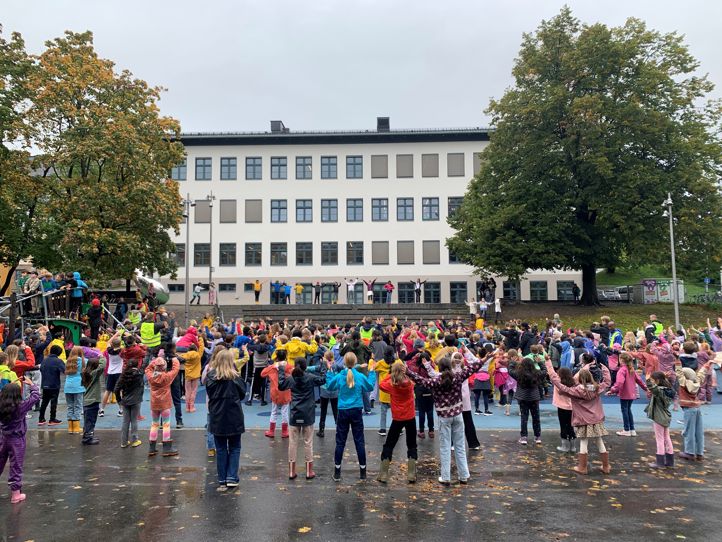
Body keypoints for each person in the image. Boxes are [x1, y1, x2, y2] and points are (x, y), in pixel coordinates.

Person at [407, 348, 482, 486]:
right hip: (458, 415)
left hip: (444, 417)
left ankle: (446, 476)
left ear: (440, 368)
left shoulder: (436, 381)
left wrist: (407, 371)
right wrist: (483, 359)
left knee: (445, 447)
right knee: (460, 446)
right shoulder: (457, 378)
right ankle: (464, 475)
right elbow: (473, 368)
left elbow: (421, 380)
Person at [545, 356, 612, 475]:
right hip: (596, 420)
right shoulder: (597, 388)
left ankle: (582, 467)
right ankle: (606, 466)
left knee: (584, 442)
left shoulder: (575, 391)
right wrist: (605, 369)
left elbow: (558, 384)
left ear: (579, 379)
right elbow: (607, 382)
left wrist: (549, 365)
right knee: (599, 441)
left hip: (583, 420)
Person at [325, 352, 376, 481]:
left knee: (340, 442)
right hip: (356, 410)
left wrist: (329, 371)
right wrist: (372, 372)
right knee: (359, 441)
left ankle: (337, 472)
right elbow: (370, 386)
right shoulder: (359, 376)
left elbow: (329, 386)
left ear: (344, 363)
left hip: (342, 410)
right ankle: (363, 472)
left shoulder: (339, 376)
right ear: (355, 363)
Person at [278, 357, 327, 480]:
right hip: (308, 413)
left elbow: (281, 385)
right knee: (308, 443)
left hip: (295, 413)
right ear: (305, 366)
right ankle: (309, 471)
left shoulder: (291, 379)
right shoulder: (310, 377)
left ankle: (291, 471)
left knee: (293, 443)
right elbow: (322, 379)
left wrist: (281, 369)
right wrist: (324, 366)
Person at [205, 349, 246, 491]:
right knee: (235, 447)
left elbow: (209, 393)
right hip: (234, 415)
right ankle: (232, 477)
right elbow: (242, 395)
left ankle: (222, 478)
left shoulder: (210, 377)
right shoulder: (236, 378)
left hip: (217, 415)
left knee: (221, 448)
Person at [377, 360, 418, 484]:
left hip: (397, 418)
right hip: (410, 417)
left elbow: (381, 384)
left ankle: (384, 473)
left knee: (389, 444)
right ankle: (411, 473)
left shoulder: (391, 384)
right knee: (411, 445)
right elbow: (415, 379)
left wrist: (391, 374)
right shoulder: (410, 384)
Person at [0, 376, 40, 503]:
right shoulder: (20, 407)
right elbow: (35, 396)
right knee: (16, 465)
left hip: (3, 437)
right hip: (17, 440)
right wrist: (31, 384)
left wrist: (8, 386)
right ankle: (15, 494)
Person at [145, 352, 180, 457]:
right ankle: (167, 448)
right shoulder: (167, 377)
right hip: (165, 404)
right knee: (166, 425)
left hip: (154, 404)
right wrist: (174, 359)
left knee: (154, 424)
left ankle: (152, 448)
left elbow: (147, 368)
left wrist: (155, 361)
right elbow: (176, 369)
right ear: (164, 367)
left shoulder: (151, 377)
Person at [676, 361, 712, 460]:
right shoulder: (697, 381)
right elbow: (701, 374)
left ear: (684, 376)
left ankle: (689, 452)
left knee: (689, 431)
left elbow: (679, 374)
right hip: (697, 408)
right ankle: (700, 453)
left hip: (689, 410)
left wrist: (677, 361)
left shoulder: (684, 383)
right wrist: (706, 365)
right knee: (699, 432)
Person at [508, 349, 545, 445]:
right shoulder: (536, 373)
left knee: (524, 417)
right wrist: (540, 362)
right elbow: (544, 371)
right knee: (536, 417)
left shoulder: (519, 374)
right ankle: (537, 437)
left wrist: (513, 361)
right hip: (534, 397)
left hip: (523, 397)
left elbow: (510, 370)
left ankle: (524, 437)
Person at [608, 352, 647, 437]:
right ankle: (632, 429)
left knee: (625, 410)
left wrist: (612, 390)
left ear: (621, 360)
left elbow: (619, 383)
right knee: (628, 410)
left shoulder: (622, 370)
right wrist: (646, 389)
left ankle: (626, 429)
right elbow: (639, 380)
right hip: (632, 393)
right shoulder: (631, 369)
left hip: (625, 393)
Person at [644, 371, 675, 468]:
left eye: (653, 380)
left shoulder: (659, 391)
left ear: (657, 381)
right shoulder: (667, 390)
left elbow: (653, 388)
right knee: (667, 438)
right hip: (666, 416)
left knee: (660, 439)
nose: (652, 382)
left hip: (659, 418)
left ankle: (660, 462)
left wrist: (648, 379)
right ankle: (670, 461)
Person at [261, 349, 291, 439]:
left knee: (274, 411)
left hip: (275, 392)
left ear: (277, 357)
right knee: (285, 412)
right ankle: (285, 431)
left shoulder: (272, 367)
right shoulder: (289, 366)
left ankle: (271, 431)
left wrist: (271, 366)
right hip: (285, 392)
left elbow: (262, 374)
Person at [114, 362, 144, 448]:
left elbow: (116, 388)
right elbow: (145, 364)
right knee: (134, 420)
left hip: (125, 400)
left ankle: (124, 442)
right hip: (136, 400)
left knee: (125, 421)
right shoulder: (139, 375)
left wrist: (119, 400)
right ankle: (134, 440)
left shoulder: (123, 376)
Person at [81, 356, 105, 445]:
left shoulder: (85, 373)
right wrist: (102, 357)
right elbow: (102, 366)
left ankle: (87, 436)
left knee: (88, 420)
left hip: (87, 400)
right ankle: (87, 438)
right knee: (91, 421)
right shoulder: (94, 374)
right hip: (92, 400)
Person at [38, 345, 65, 426]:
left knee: (44, 402)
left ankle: (41, 419)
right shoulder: (58, 361)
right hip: (54, 384)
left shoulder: (44, 360)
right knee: (53, 402)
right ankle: (52, 419)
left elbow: (41, 369)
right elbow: (64, 370)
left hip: (45, 383)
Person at [316, 350, 341, 438]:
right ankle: (339, 429)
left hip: (324, 390)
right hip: (334, 391)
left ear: (325, 357)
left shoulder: (323, 365)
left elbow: (316, 369)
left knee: (323, 410)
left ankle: (321, 430)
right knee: (336, 411)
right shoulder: (336, 365)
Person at [551, 367, 576, 452]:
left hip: (562, 408)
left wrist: (547, 361)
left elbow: (551, 373)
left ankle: (564, 446)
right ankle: (573, 447)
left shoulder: (558, 383)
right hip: (571, 407)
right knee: (570, 426)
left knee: (563, 426)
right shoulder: (573, 382)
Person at [100, 336, 123, 418]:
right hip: (119, 373)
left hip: (110, 372)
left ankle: (102, 409)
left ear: (112, 344)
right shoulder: (122, 351)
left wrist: (116, 334)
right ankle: (121, 409)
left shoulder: (109, 351)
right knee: (119, 391)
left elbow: (108, 342)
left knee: (107, 391)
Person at [63, 347, 85, 435]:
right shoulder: (82, 360)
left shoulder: (68, 361)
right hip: (78, 386)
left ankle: (70, 427)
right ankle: (76, 427)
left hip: (68, 386)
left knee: (70, 406)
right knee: (78, 406)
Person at [181, 345, 202, 413]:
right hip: (195, 375)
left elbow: (179, 356)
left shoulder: (185, 355)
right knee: (194, 391)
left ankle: (187, 407)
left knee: (187, 391)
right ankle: (192, 407)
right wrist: (200, 339)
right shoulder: (198, 354)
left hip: (188, 375)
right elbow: (201, 347)